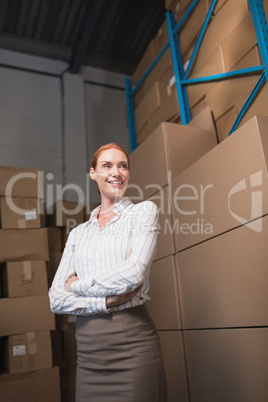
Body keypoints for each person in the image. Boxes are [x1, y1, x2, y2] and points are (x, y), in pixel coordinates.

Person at [49, 143, 167, 402]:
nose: (116, 172)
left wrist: (77, 286)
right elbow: (55, 299)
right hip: (89, 356)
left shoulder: (143, 212)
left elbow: (133, 275)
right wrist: (105, 301)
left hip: (132, 348)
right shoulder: (79, 233)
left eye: (122, 165)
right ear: (93, 173)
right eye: (107, 165)